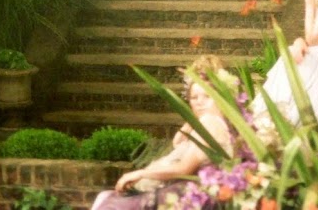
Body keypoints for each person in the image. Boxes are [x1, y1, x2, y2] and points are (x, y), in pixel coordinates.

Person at [90, 56, 235, 210]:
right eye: (194, 97)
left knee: (108, 204)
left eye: (207, 96)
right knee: (104, 197)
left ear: (220, 96)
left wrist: (140, 174)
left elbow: (184, 168)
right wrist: (192, 120)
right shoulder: (214, 123)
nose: (199, 102)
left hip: (186, 194)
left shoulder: (211, 124)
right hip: (182, 190)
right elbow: (178, 142)